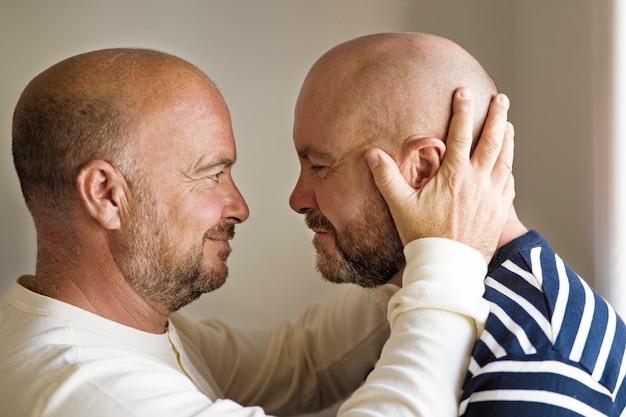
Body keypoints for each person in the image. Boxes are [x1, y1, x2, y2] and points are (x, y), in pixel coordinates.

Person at [0, 47, 512, 417]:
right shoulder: (86, 388)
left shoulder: (119, 333)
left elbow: (303, 362)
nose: (240, 206)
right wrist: (448, 260)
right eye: (212, 174)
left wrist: (417, 238)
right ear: (107, 195)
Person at [289, 31, 626, 416]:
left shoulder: (532, 365)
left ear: (424, 169)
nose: (298, 199)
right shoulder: (427, 301)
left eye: (319, 166)